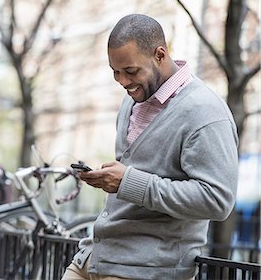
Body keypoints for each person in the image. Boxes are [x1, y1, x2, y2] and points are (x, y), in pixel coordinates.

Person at [62, 14, 238, 280]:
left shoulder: (205, 112)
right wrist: (112, 180)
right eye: (116, 72)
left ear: (159, 55)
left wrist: (128, 182)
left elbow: (217, 200)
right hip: (93, 258)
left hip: (146, 269)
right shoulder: (131, 102)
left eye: (131, 71)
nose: (122, 81)